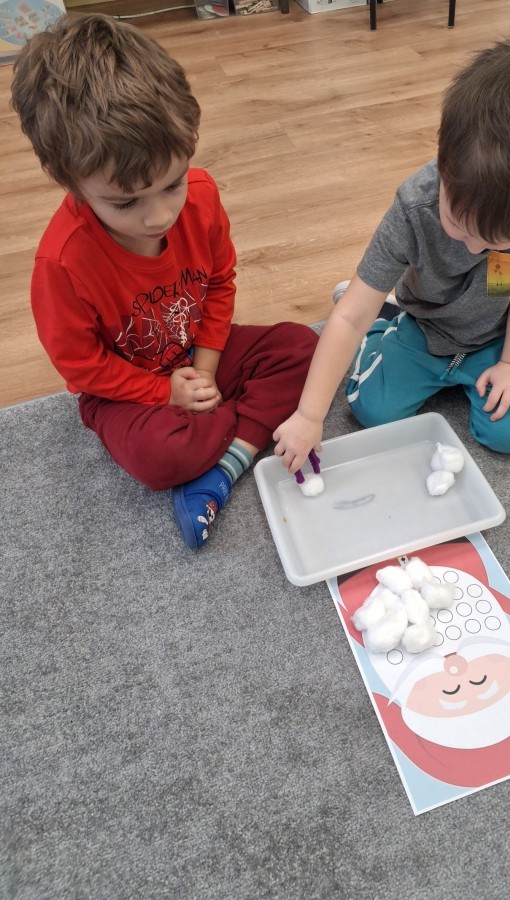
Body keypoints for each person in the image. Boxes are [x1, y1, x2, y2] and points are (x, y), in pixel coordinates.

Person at [11, 13, 318, 550]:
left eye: (172, 184)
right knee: (161, 456)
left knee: (303, 347)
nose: (159, 216)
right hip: (126, 387)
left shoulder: (202, 197)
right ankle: (240, 434)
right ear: (68, 180)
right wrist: (165, 393)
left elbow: (219, 284)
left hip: (197, 354)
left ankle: (226, 464)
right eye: (125, 201)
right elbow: (82, 367)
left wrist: (205, 371)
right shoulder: (62, 264)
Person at [273, 37, 510, 472]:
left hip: (502, 335)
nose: (474, 248)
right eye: (459, 225)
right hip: (427, 326)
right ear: (444, 166)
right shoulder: (413, 207)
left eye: (499, 239)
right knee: (373, 412)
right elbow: (350, 316)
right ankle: (387, 322)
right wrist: (309, 416)